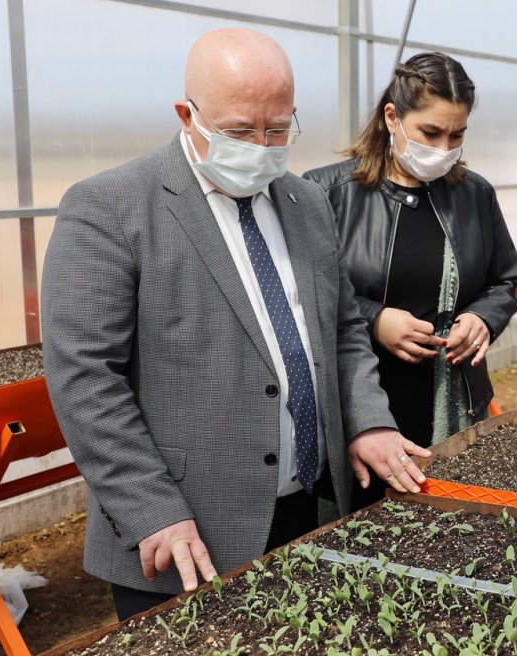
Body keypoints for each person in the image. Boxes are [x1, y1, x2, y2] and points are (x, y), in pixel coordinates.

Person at [41, 29, 430, 621]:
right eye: (240, 131)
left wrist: (367, 420)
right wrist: (151, 507)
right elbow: (86, 378)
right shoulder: (111, 207)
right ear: (186, 114)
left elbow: (344, 328)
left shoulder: (305, 202)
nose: (262, 147)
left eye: (278, 130)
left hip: (308, 503)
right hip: (188, 527)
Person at [304, 52, 517, 509]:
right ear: (392, 118)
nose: (443, 149)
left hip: (452, 401)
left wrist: (482, 318)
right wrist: (375, 319)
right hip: (362, 409)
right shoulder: (327, 194)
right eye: (430, 133)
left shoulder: (474, 194)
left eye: (456, 135)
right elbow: (305, 297)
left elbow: (505, 280)